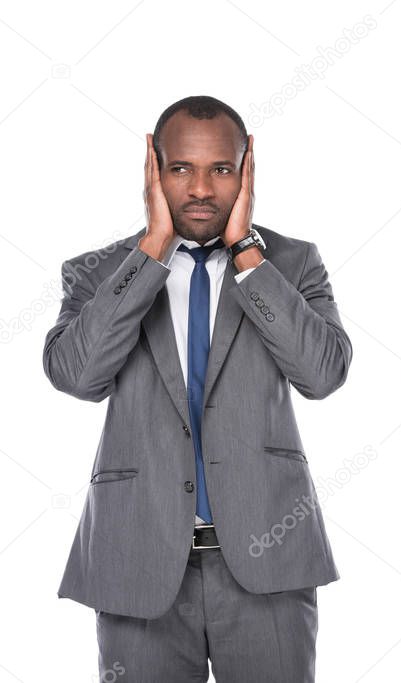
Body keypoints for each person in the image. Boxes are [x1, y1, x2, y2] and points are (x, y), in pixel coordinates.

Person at [42, 95, 352, 681]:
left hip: (269, 563)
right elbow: (77, 376)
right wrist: (153, 246)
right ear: (153, 169)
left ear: (247, 170)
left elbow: (323, 373)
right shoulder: (97, 270)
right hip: (138, 561)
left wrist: (246, 255)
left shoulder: (291, 261)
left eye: (221, 169)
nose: (202, 189)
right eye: (181, 168)